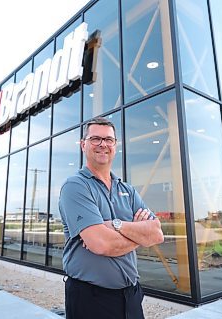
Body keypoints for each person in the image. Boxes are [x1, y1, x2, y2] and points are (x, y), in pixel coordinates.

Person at [59, 117, 164, 319]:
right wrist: (139, 235)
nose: (102, 145)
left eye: (108, 140)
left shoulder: (127, 190)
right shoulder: (75, 186)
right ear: (83, 144)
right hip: (91, 298)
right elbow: (101, 244)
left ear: (115, 145)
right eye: (95, 139)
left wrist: (116, 226)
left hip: (131, 295)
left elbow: (157, 234)